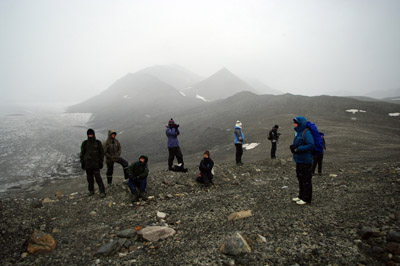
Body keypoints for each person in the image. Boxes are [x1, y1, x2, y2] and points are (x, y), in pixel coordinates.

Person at [290, 117, 315, 205]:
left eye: (295, 123)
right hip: (299, 160)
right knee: (300, 178)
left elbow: (311, 145)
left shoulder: (306, 132)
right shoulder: (299, 132)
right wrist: (293, 147)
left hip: (306, 160)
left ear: (300, 123)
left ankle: (307, 198)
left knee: (306, 179)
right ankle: (301, 196)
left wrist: (298, 149)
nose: (294, 124)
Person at [80, 128, 106, 198]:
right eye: (89, 134)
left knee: (98, 178)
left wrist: (101, 162)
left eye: (91, 134)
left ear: (93, 134)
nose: (90, 136)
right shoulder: (85, 143)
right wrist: (82, 163)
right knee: (89, 178)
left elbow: (101, 153)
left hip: (95, 164)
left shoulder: (98, 142)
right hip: (88, 165)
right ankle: (91, 191)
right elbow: (82, 154)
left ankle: (102, 191)